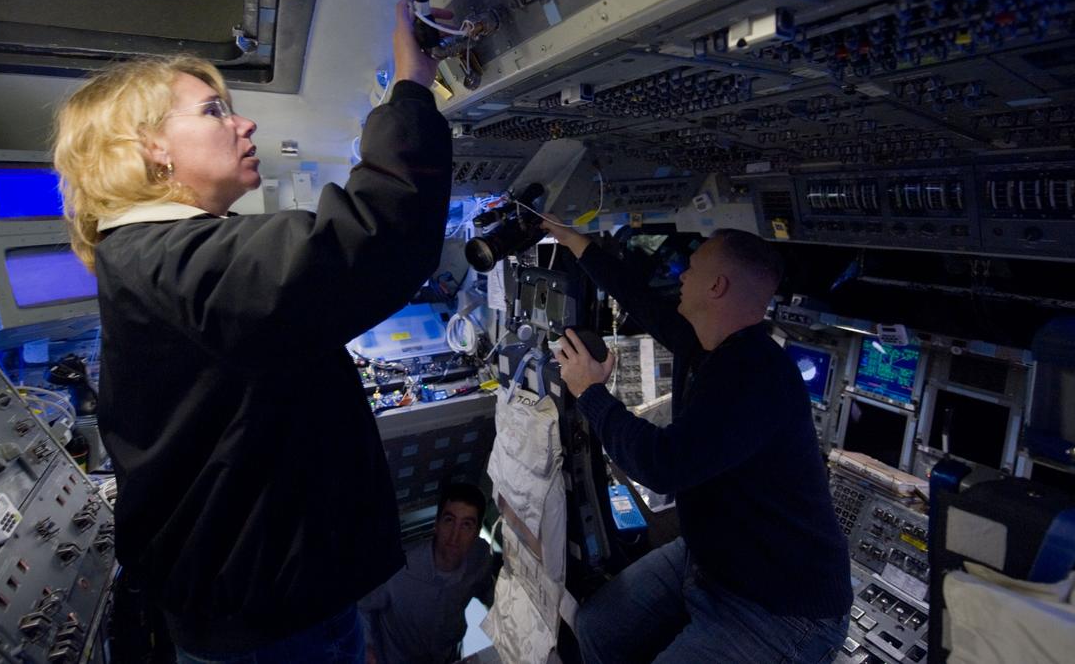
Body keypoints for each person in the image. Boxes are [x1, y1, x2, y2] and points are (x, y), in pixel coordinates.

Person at [51, 0, 452, 663]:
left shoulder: (158, 258)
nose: (243, 122)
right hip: (272, 633)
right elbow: (374, 238)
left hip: (267, 612)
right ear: (149, 146)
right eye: (213, 110)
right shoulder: (175, 261)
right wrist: (411, 85)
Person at [543, 224, 851, 663]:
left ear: (717, 285)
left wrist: (591, 394)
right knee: (597, 631)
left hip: (781, 607)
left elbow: (662, 464)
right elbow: (641, 301)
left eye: (691, 268)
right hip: (712, 561)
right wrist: (576, 242)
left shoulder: (757, 376)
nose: (681, 276)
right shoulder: (710, 345)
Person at [359, 482, 495, 664]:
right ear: (436, 525)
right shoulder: (399, 567)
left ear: (477, 533)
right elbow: (361, 606)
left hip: (445, 654)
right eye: (449, 520)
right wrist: (367, 649)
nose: (455, 535)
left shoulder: (480, 558)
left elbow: (490, 593)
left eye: (466, 525)